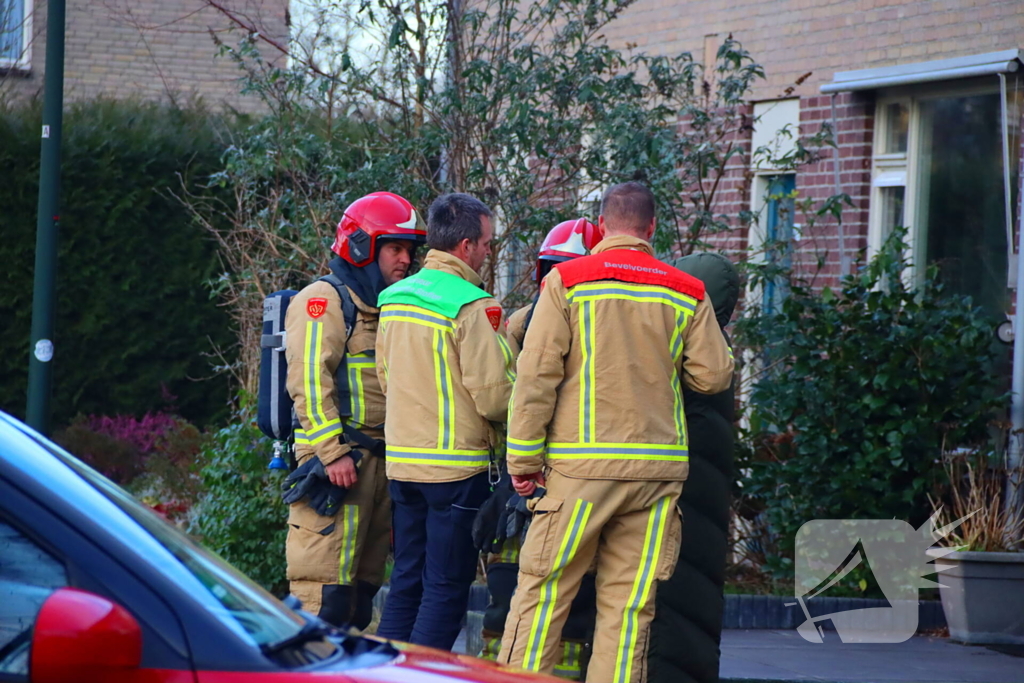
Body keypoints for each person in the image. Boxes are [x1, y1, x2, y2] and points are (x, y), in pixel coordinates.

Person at [498, 182, 734, 683]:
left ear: (601, 228)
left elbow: (536, 375)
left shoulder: (568, 280)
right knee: (629, 612)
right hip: (654, 476)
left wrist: (521, 461)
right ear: (652, 229)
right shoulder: (686, 290)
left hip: (578, 473)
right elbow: (713, 376)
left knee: (543, 595)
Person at [375, 192, 516, 650]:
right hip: (455, 472)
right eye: (488, 243)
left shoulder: (393, 298)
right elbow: (495, 397)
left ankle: (381, 675)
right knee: (445, 589)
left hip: (402, 468)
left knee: (405, 582)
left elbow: (384, 376)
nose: (489, 252)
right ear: (466, 246)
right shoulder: (470, 304)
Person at [283, 191, 426, 629]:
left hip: (379, 465)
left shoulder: (386, 309)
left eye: (409, 250)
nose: (404, 260)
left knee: (359, 599)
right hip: (336, 466)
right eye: (394, 248)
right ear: (362, 247)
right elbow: (308, 381)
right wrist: (332, 452)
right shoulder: (323, 300)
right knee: (321, 596)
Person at [475, 218, 602, 680]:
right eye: (551, 271)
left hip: (566, 482)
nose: (555, 283)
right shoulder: (519, 324)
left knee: (572, 601)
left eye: (564, 271)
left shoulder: (580, 328)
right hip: (525, 485)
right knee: (507, 597)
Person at [648, 253, 739, 683]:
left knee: (662, 604)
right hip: (706, 502)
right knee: (697, 609)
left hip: (671, 496)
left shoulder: (677, 349)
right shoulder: (719, 355)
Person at [505, 218, 602, 356]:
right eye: (553, 271)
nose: (558, 281)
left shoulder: (606, 318)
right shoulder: (519, 324)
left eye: (574, 274)